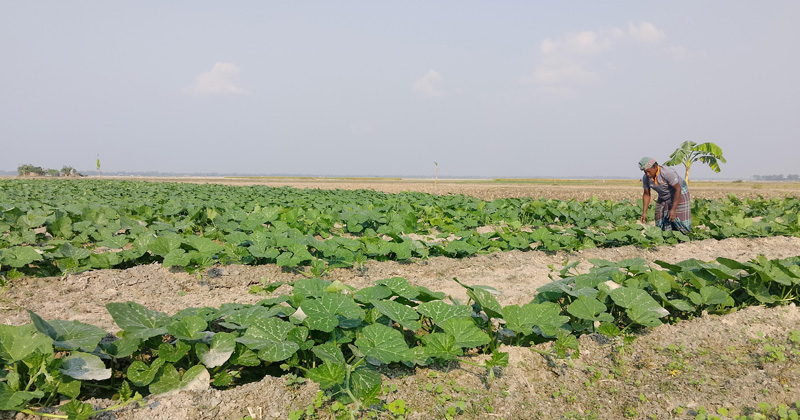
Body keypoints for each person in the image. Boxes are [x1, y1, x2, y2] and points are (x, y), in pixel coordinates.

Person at [638, 157, 691, 233]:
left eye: (649, 171)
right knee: (660, 216)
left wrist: (673, 209)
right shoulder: (646, 178)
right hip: (664, 194)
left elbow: (678, 189)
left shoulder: (667, 173)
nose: (647, 174)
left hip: (679, 192)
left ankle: (684, 236)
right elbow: (646, 194)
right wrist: (644, 212)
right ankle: (665, 235)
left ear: (656, 167)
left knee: (679, 217)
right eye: (645, 172)